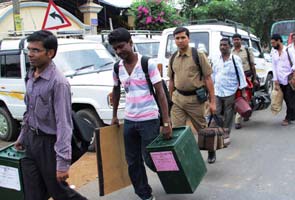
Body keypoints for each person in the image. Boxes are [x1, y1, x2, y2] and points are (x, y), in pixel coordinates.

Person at [14, 30, 87, 200]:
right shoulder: (31, 75)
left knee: (59, 192)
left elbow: (64, 124)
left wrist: (62, 163)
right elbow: (29, 111)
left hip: (49, 145)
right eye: (29, 50)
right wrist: (22, 137)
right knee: (32, 193)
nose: (30, 55)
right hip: (32, 141)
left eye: (35, 50)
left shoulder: (58, 83)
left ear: (50, 53)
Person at [109, 27, 172, 200]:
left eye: (121, 46)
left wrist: (166, 122)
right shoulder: (117, 68)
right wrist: (115, 115)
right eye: (115, 49)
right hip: (129, 119)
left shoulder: (147, 63)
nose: (119, 51)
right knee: (133, 161)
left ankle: (176, 178)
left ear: (130, 42)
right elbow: (115, 90)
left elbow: (160, 93)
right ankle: (145, 194)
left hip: (149, 119)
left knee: (151, 159)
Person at [167, 27, 216, 164]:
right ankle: (184, 157)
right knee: (177, 130)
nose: (180, 40)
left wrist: (212, 102)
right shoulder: (172, 58)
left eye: (183, 37)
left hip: (196, 100)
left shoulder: (198, 55)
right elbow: (171, 80)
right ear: (174, 40)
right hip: (177, 99)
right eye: (177, 38)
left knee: (202, 129)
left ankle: (211, 150)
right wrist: (169, 99)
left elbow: (208, 79)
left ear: (188, 38)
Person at [212, 38, 247, 134]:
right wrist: (210, 90)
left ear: (230, 46)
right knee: (216, 112)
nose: (222, 47)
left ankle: (226, 132)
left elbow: (241, 75)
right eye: (221, 45)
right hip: (217, 90)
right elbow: (213, 75)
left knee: (229, 113)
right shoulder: (216, 59)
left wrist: (243, 91)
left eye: (225, 45)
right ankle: (219, 131)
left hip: (230, 90)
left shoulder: (235, 59)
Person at [232, 33, 258, 129]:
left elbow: (252, 65)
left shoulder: (247, 50)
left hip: (247, 77)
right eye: (234, 39)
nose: (236, 41)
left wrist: (255, 78)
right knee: (239, 97)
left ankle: (239, 119)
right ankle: (243, 114)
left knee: (244, 96)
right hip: (235, 79)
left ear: (241, 40)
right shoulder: (231, 52)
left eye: (237, 39)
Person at [271, 34, 295, 126]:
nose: (272, 45)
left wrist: (293, 76)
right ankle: (292, 115)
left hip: (289, 79)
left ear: (279, 41)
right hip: (280, 80)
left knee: (290, 99)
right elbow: (274, 66)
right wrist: (275, 80)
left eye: (273, 43)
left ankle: (288, 118)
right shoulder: (274, 52)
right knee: (284, 98)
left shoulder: (288, 50)